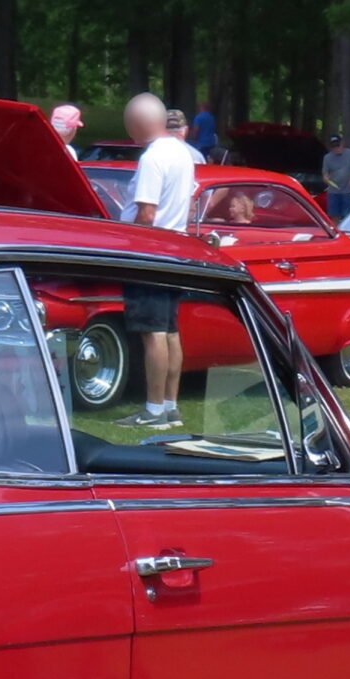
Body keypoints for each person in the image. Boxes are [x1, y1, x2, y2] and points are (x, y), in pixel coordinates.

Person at [116, 92, 198, 429]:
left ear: (135, 124)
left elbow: (146, 213)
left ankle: (152, 411)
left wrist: (126, 240)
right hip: (175, 246)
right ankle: (170, 405)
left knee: (153, 332)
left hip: (150, 250)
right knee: (170, 329)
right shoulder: (181, 152)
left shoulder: (152, 158)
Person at [321, 132, 350, 219]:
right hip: (333, 192)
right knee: (334, 216)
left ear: (342, 143)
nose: (337, 148)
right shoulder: (327, 158)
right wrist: (326, 178)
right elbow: (325, 174)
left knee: (348, 216)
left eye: (338, 145)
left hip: (348, 191)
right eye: (334, 146)